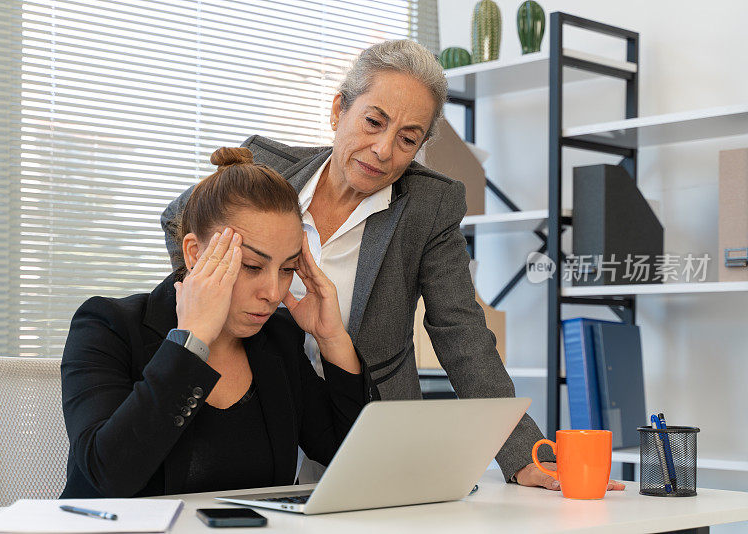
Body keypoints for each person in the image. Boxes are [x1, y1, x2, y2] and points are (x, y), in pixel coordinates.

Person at [162, 40, 624, 492]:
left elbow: (461, 334)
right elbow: (178, 219)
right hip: (258, 412)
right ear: (338, 109)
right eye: (373, 122)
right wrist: (212, 309)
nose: (384, 150)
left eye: (407, 139)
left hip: (368, 422)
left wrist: (524, 454)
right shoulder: (265, 169)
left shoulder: (428, 205)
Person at [60, 147, 375, 498]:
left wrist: (332, 338)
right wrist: (191, 342)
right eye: (253, 266)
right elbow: (109, 477)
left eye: (287, 269)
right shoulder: (108, 327)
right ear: (194, 253)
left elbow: (353, 461)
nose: (273, 292)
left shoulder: (279, 339)